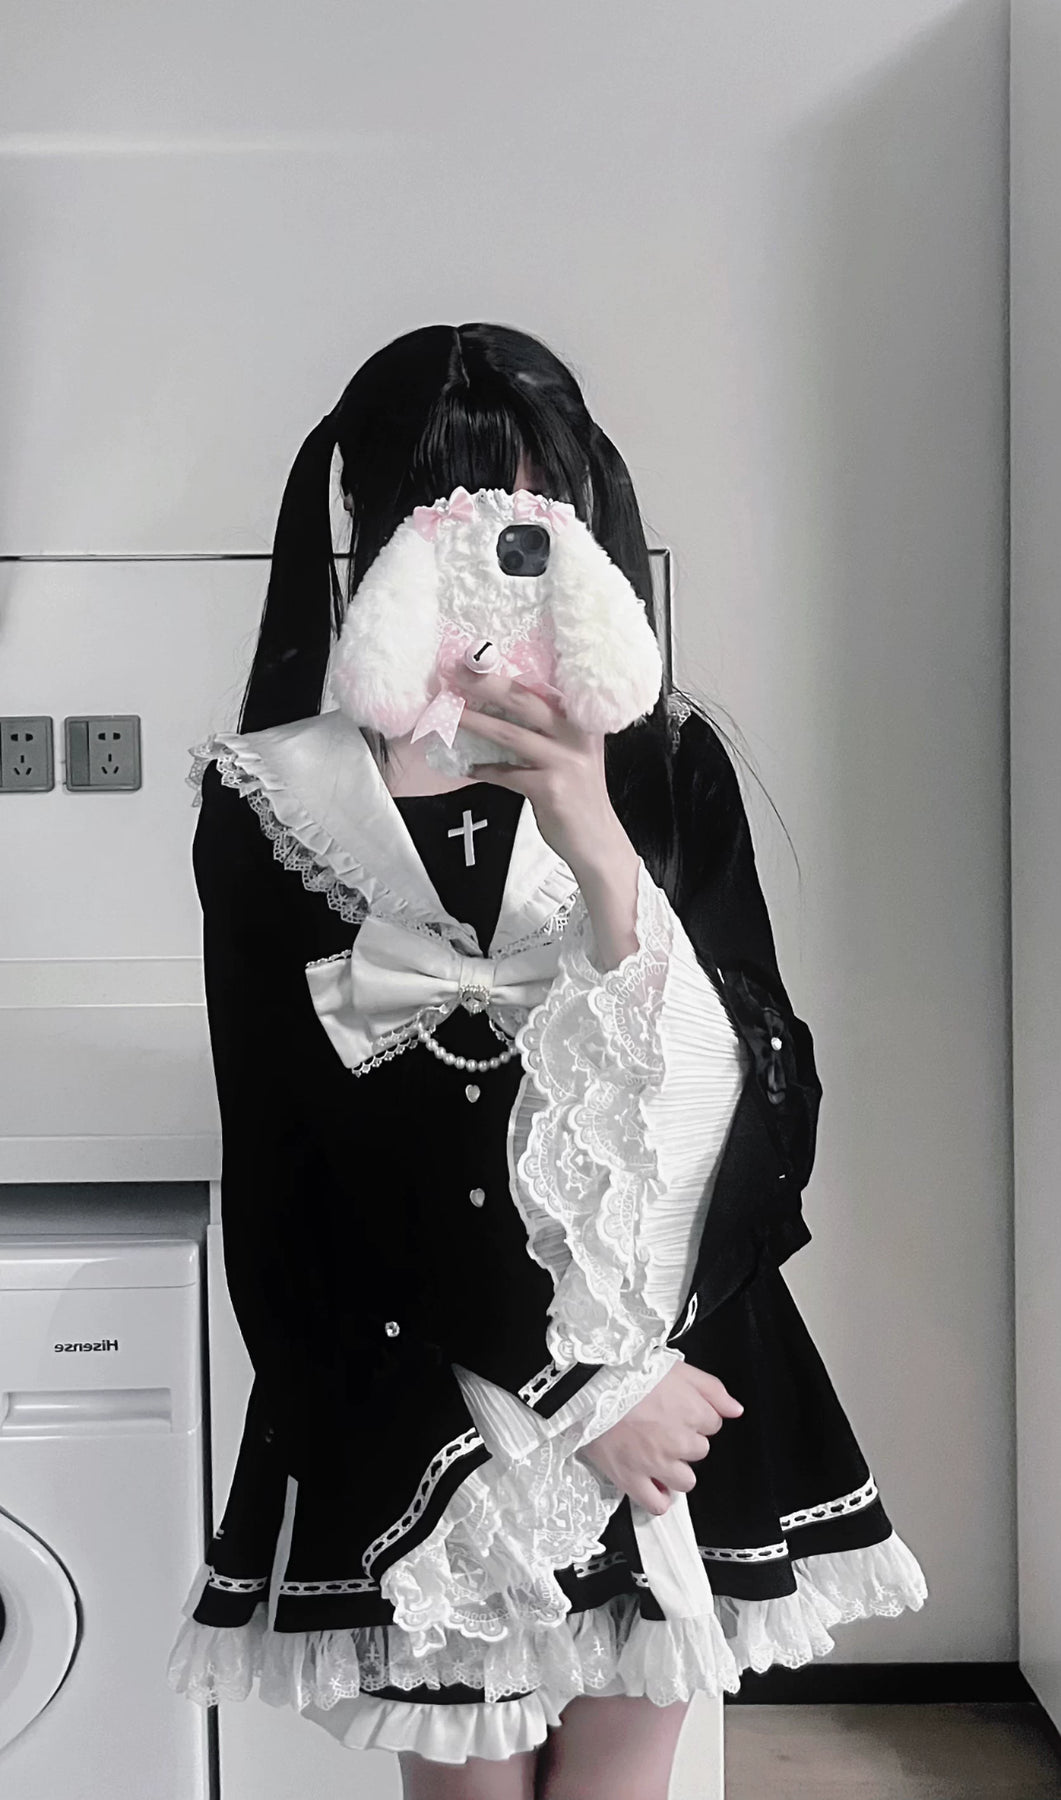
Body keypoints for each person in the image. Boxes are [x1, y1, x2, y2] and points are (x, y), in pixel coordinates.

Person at [168, 322, 928, 1800]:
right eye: (435, 518)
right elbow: (287, 1172)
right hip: (426, 1393)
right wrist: (563, 1393)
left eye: (526, 520)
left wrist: (596, 843)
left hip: (671, 1365)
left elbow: (758, 1103)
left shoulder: (665, 768)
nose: (485, 563)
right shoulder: (273, 802)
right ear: (367, 532)